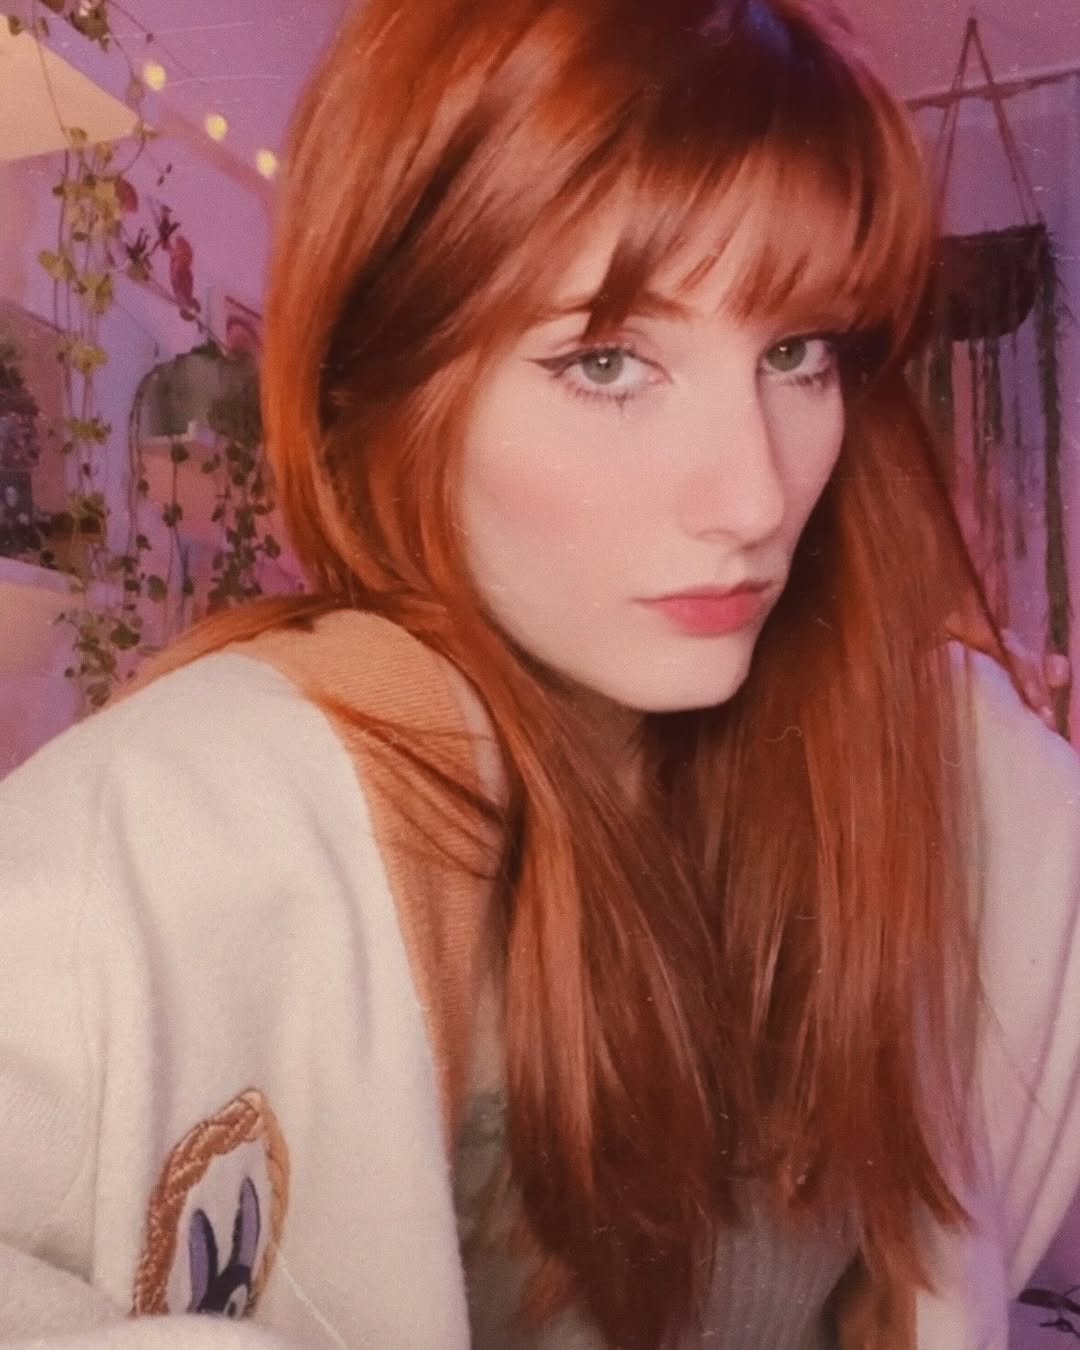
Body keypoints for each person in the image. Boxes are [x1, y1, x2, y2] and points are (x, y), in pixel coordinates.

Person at [1, 0, 1079, 1346]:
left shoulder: (938, 765)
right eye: (608, 363)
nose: (755, 497)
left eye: (796, 351)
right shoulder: (211, 811)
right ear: (378, 393)